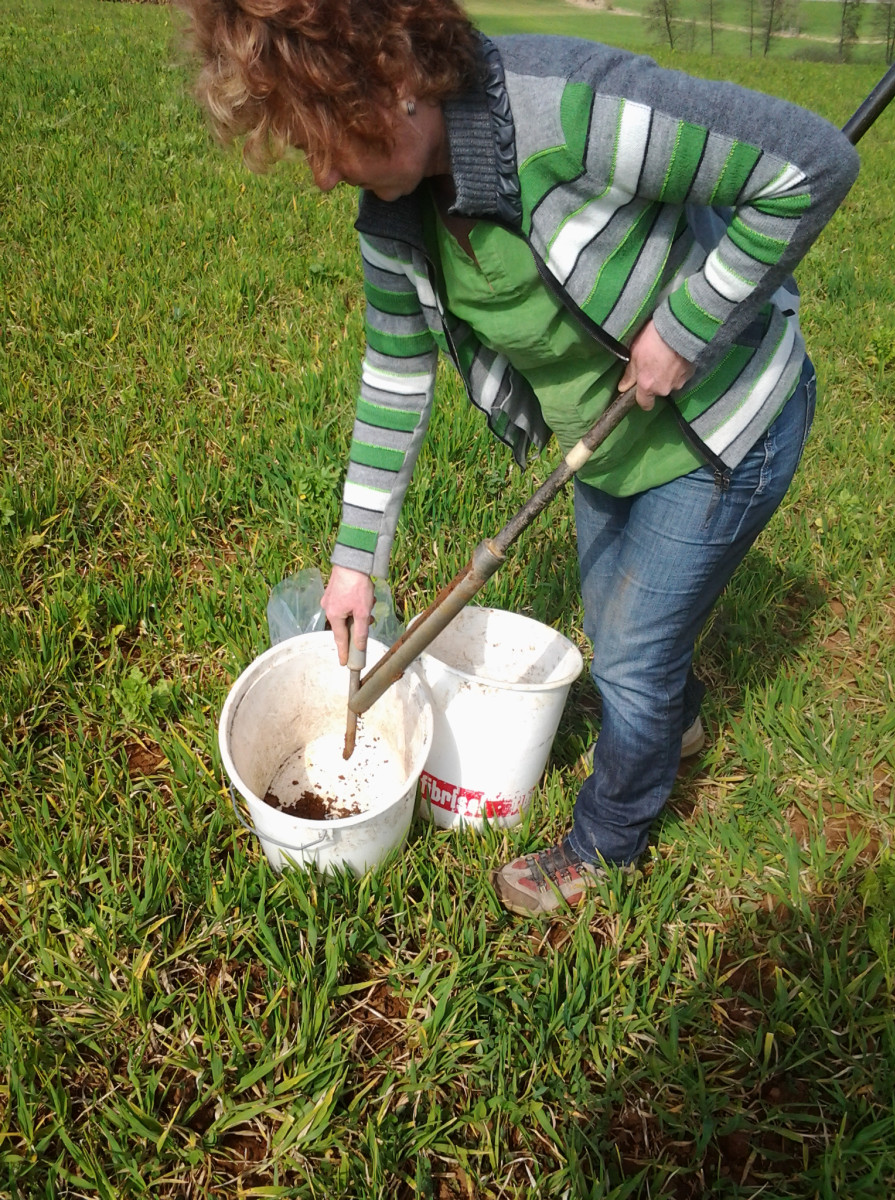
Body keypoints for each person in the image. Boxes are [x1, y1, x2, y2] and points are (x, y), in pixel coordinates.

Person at [183, 0, 859, 915]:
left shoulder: (571, 110)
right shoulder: (393, 219)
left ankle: (607, 844)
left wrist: (691, 322)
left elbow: (810, 164)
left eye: (328, 136)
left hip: (726, 425)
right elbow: (394, 376)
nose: (321, 172)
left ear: (397, 78)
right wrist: (353, 564)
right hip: (609, 441)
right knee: (624, 623)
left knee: (626, 657)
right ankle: (674, 716)